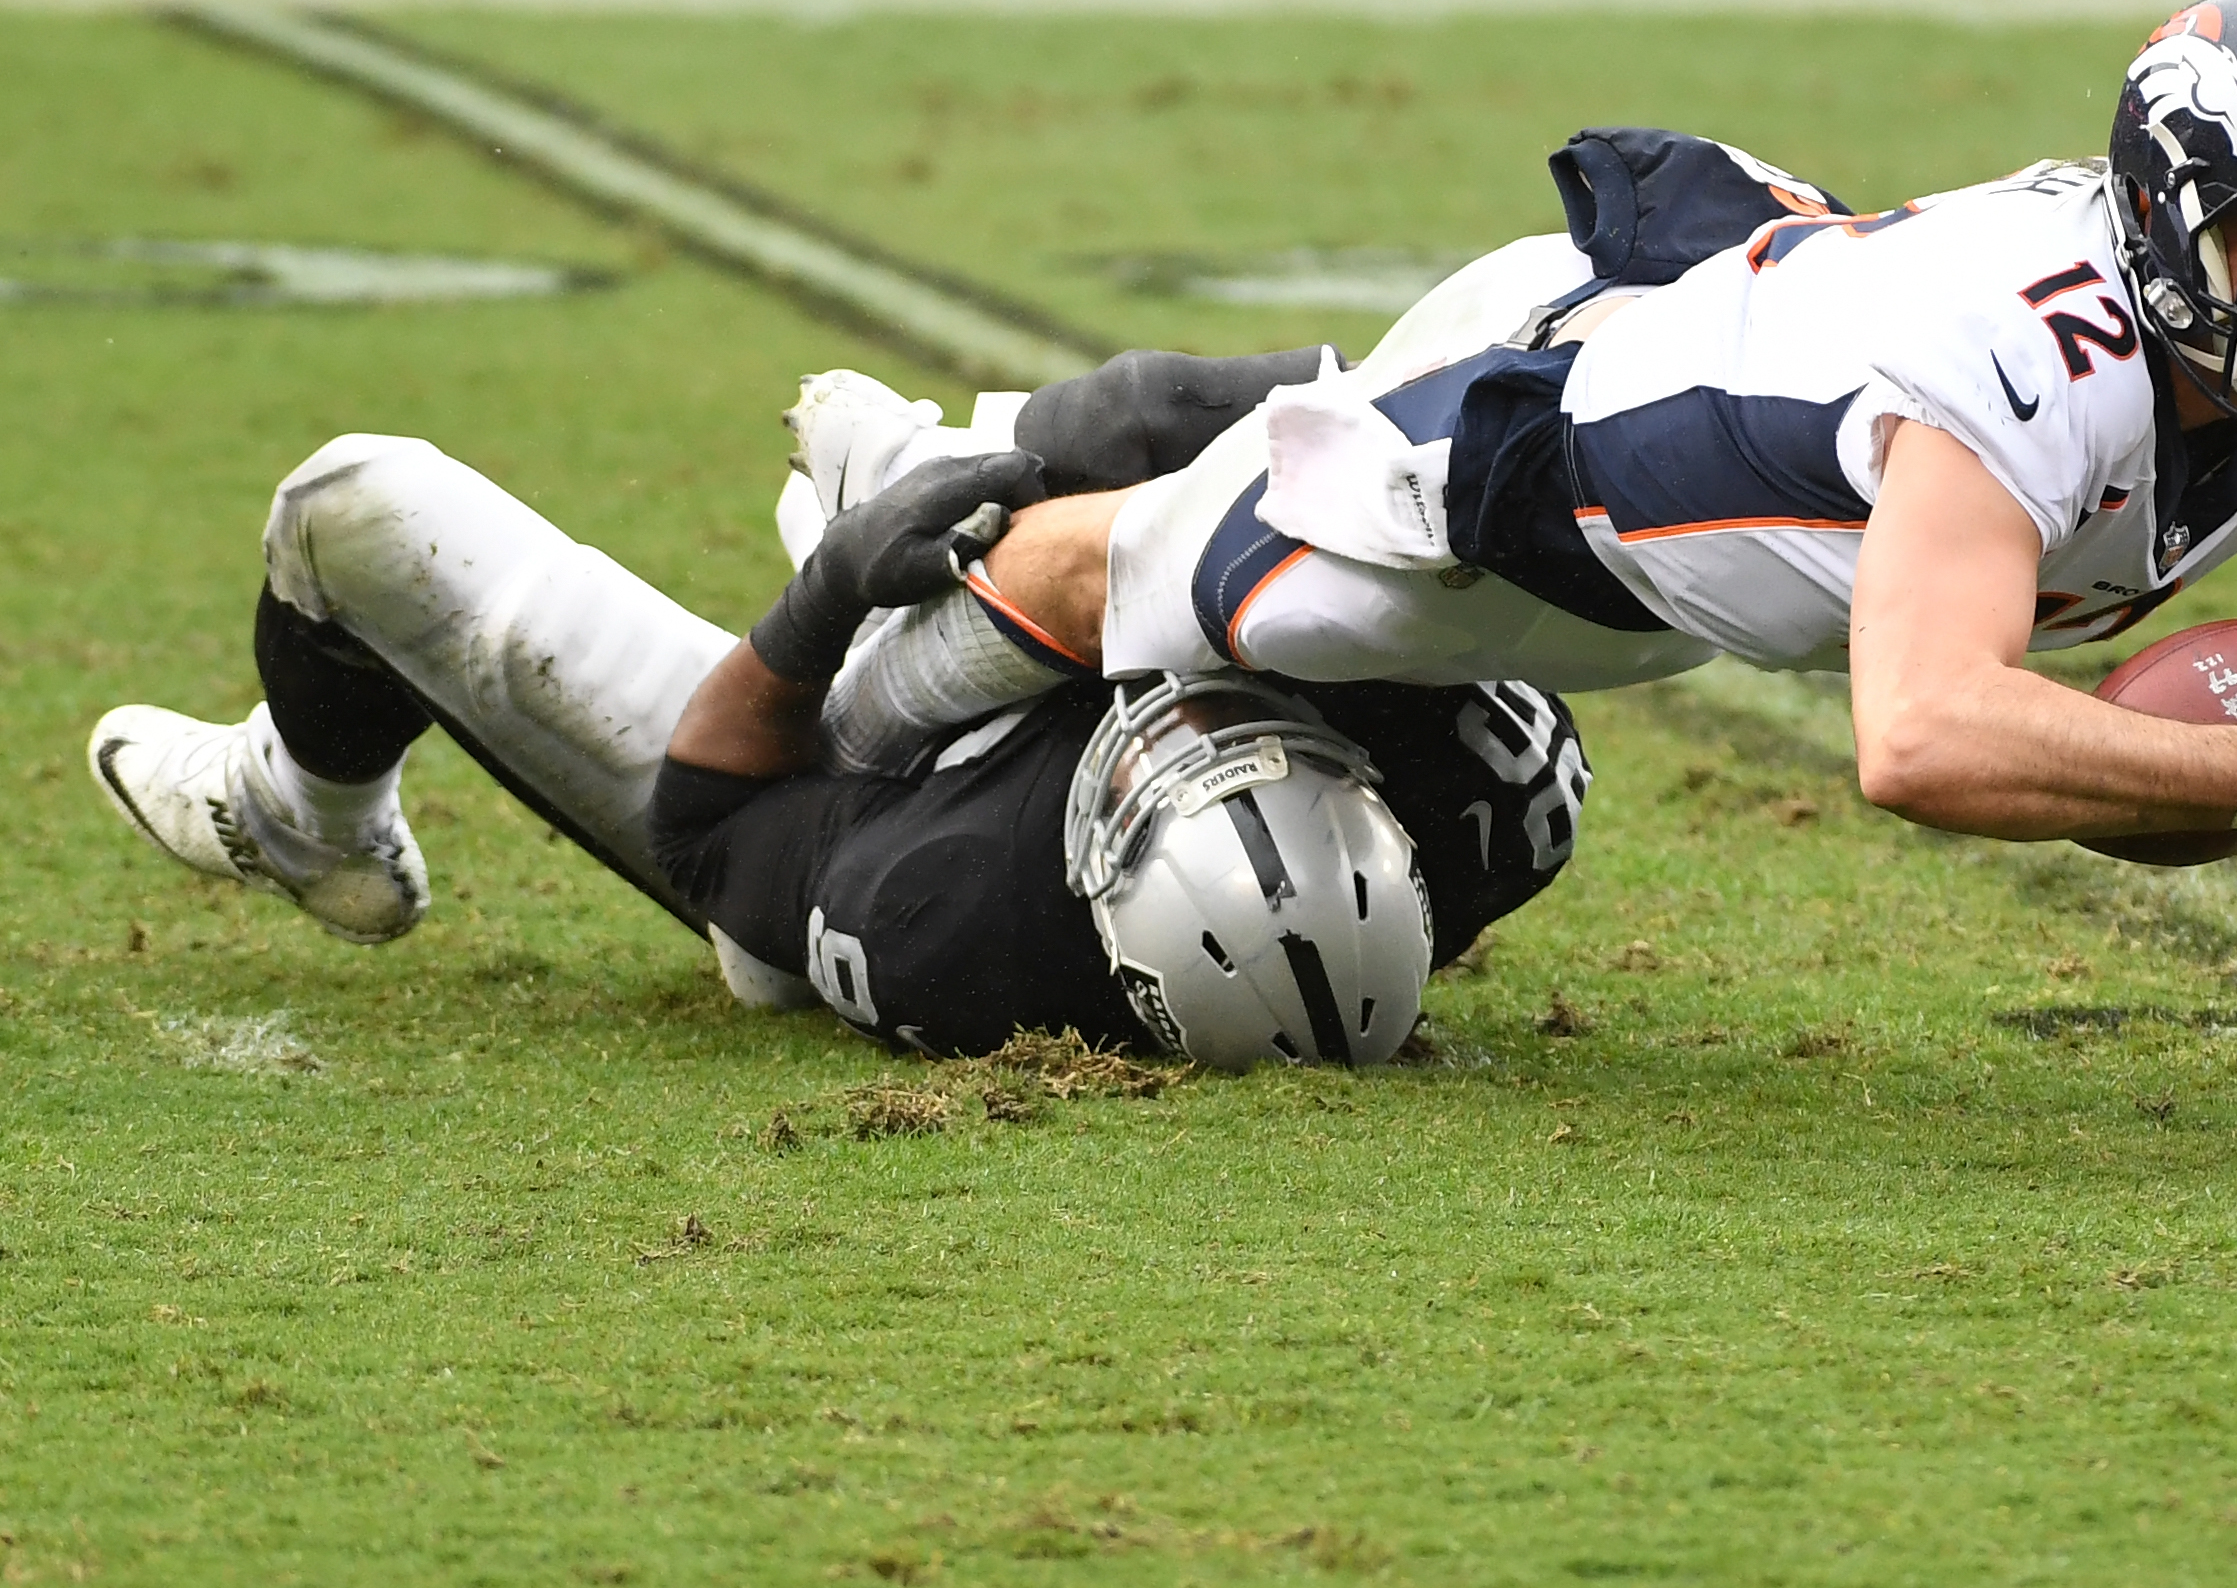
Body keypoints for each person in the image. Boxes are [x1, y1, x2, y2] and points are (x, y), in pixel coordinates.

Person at [787, 0, 2237, 1171]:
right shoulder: (2037, 359)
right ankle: (864, 601)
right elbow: (1920, 736)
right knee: (1160, 587)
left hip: (1716, 499)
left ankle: (1082, 432)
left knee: (1230, 511)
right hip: (1539, 455)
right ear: (2168, 232)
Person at [83, 399, 1593, 1068]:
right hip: (1007, 686)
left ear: (1106, 906)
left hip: (826, 794)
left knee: (352, 509)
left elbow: (713, 809)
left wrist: (829, 595)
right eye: (1248, 737)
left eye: (1142, 776)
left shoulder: (949, 923)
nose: (1180, 727)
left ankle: (301, 808)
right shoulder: (1489, 775)